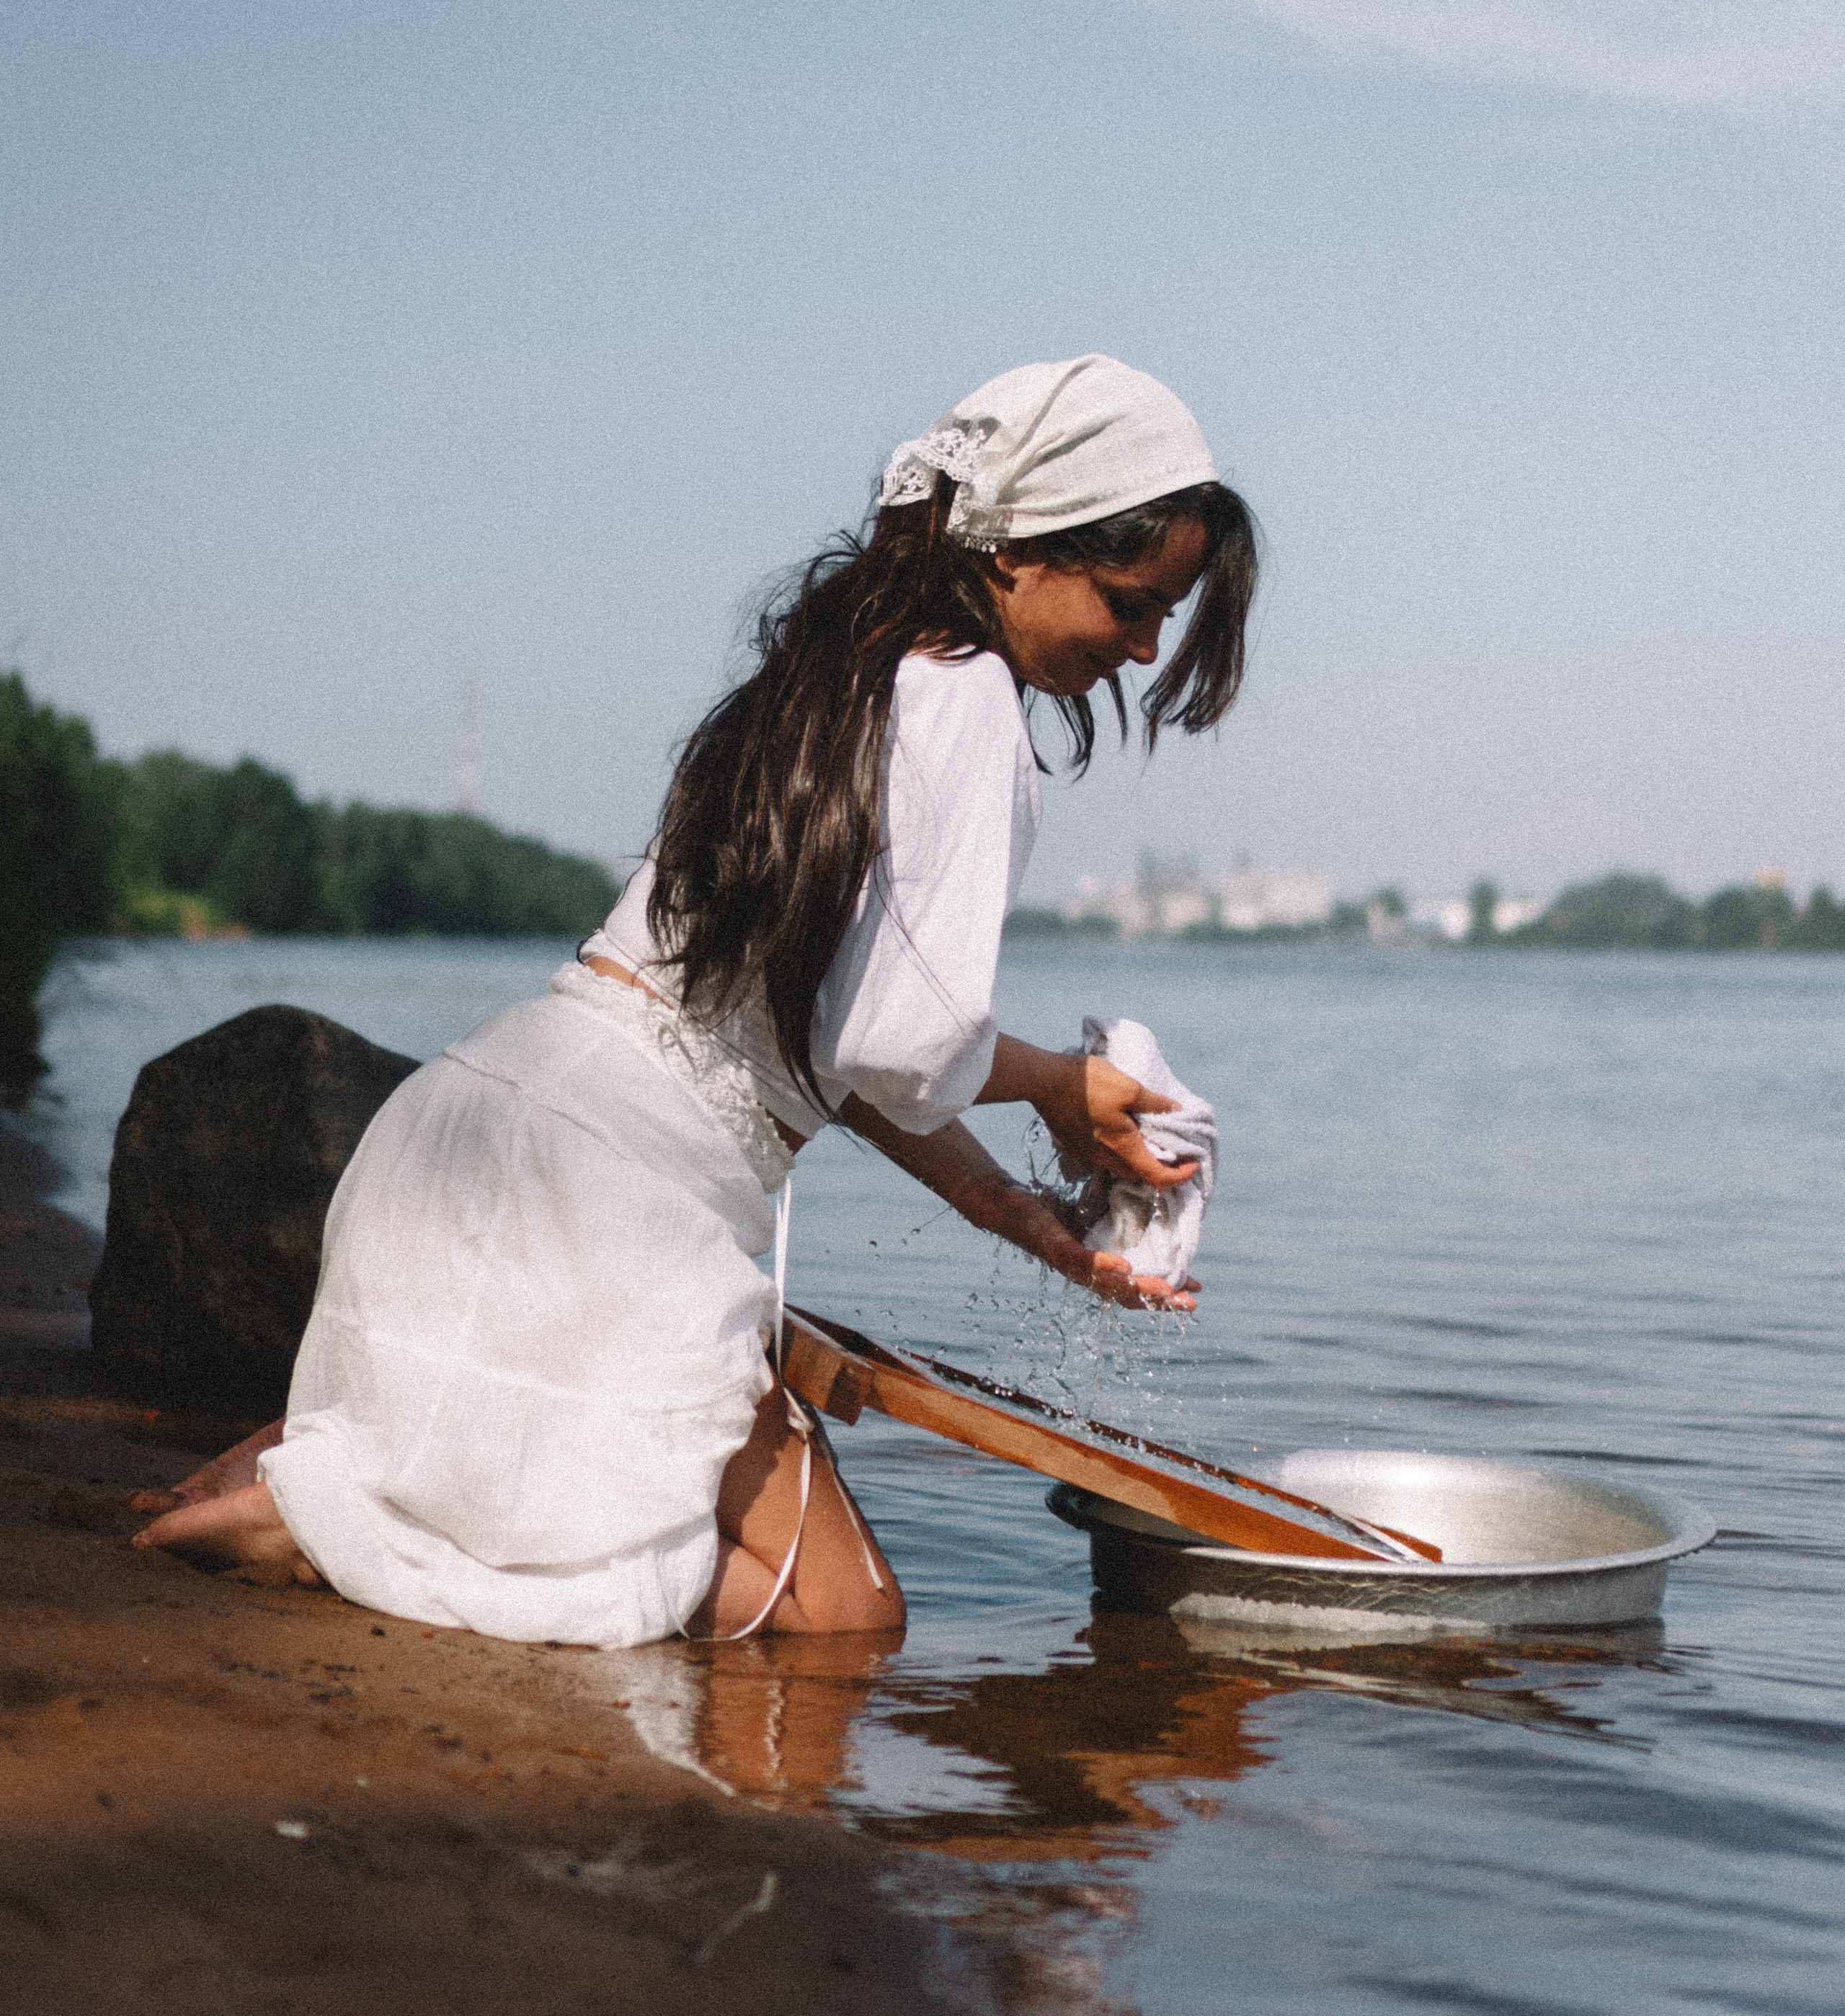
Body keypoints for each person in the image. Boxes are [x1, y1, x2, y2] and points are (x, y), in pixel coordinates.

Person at [135, 357, 1259, 1644]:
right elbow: (897, 1041)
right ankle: (335, 1517)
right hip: (604, 1213)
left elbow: (822, 1046)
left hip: (463, 1138)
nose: (1146, 644)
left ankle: (355, 1476)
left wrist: (1021, 1214)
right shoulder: (971, 700)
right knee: (842, 1623)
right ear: (1018, 550)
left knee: (698, 1560)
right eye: (1133, 601)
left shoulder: (837, 675)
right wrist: (1063, 1085)